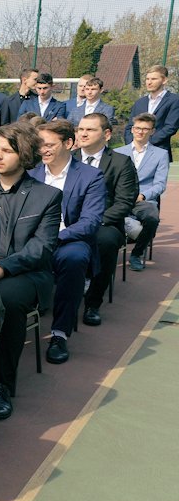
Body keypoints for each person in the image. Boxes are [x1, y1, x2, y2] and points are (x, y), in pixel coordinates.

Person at [0, 123, 61, 420]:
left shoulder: (47, 195)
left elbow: (41, 248)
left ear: (25, 153)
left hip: (24, 273)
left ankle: (1, 383)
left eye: (7, 150)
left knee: (8, 301)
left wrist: (2, 268)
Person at [31, 120, 105, 364]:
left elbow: (90, 222)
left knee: (74, 259)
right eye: (40, 144)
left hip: (68, 239)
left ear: (69, 144)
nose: (44, 150)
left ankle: (59, 333)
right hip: (32, 240)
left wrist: (55, 237)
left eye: (50, 145)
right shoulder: (31, 173)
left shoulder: (91, 176)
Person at [75, 113, 138, 327]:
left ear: (107, 134)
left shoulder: (121, 162)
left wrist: (93, 221)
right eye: (81, 129)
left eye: (90, 129)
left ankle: (93, 303)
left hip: (105, 222)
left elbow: (124, 202)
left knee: (105, 242)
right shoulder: (69, 158)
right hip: (71, 220)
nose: (83, 133)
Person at [115, 113, 168, 271]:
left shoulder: (160, 154)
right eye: (137, 128)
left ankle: (136, 254)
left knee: (152, 219)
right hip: (120, 197)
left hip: (143, 199)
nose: (140, 132)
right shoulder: (118, 152)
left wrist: (143, 195)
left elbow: (160, 184)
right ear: (132, 129)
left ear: (152, 131)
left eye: (145, 129)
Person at [124, 64, 179, 161]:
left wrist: (146, 143)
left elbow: (170, 127)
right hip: (135, 153)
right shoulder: (140, 102)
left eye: (153, 79)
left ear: (164, 80)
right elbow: (129, 126)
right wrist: (132, 144)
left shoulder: (174, 100)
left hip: (159, 151)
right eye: (147, 79)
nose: (149, 82)